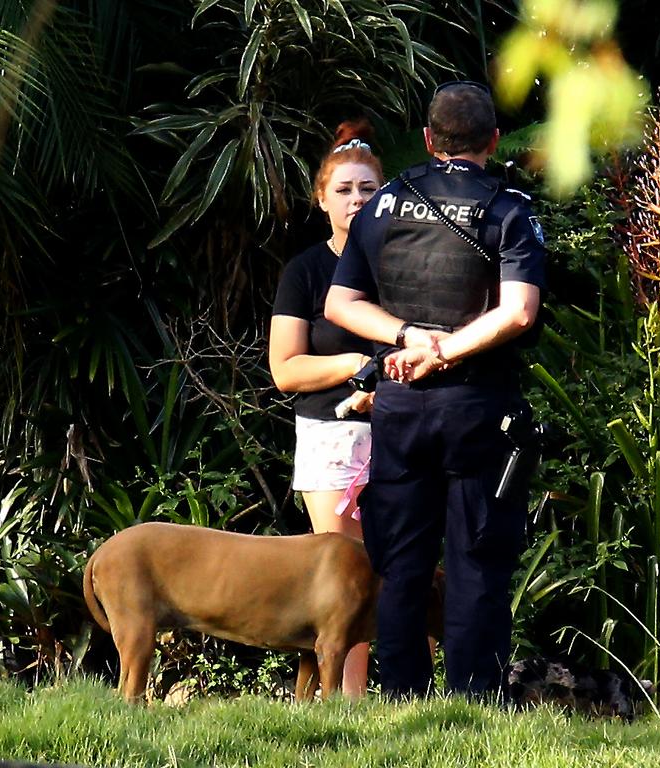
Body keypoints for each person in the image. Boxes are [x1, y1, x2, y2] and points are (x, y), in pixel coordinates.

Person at [324, 81, 546, 698]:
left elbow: (341, 303)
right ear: (494, 141)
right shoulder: (507, 209)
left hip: (399, 405)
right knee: (476, 561)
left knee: (401, 565)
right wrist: (443, 349)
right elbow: (520, 312)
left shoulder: (384, 204)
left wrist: (407, 338)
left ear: (427, 139)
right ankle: (474, 701)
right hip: (477, 406)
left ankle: (401, 699)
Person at [268, 119, 384, 698]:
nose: (357, 200)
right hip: (331, 438)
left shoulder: (403, 266)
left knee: (401, 574)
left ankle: (400, 702)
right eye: (344, 190)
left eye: (368, 189)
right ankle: (347, 709)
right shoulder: (306, 271)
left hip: (401, 435)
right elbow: (286, 370)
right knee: (346, 582)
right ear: (321, 198)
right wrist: (358, 365)